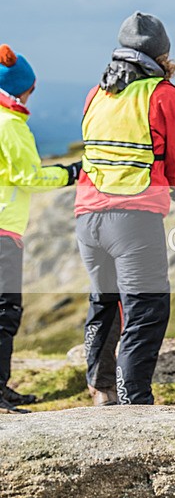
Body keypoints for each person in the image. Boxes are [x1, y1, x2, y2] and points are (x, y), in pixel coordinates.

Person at [75, 11, 175, 405]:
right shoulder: (164, 96)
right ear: (163, 55)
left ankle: (102, 391)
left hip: (87, 218)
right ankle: (135, 405)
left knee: (104, 303)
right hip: (132, 221)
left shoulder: (96, 95)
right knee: (145, 310)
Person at [0, 45, 80, 413]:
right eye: (32, 87)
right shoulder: (11, 124)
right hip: (4, 228)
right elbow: (28, 177)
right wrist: (70, 173)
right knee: (6, 311)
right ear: (22, 88)